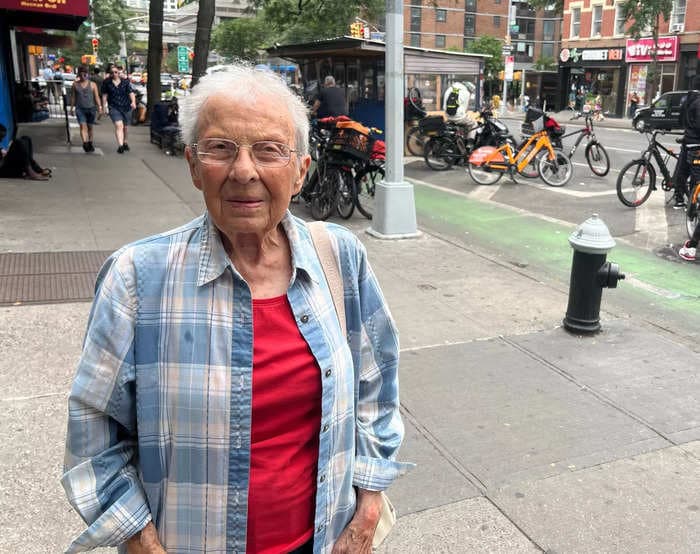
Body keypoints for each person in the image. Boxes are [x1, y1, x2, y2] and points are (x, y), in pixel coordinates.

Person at [62, 62, 410, 553]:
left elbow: (377, 385)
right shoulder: (137, 277)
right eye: (221, 149)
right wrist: (140, 541)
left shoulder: (340, 257)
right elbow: (92, 430)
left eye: (269, 150)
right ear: (192, 166)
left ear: (300, 172)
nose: (244, 170)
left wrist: (369, 501)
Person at [678, 75, 700, 261]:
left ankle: (692, 245)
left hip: (693, 145)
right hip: (695, 145)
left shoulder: (691, 100)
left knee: (694, 179)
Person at [101, 64, 136, 153]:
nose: (114, 74)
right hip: (114, 107)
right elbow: (104, 95)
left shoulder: (125, 82)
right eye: (112, 72)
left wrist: (133, 102)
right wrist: (104, 106)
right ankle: (120, 146)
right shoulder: (106, 82)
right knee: (118, 125)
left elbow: (131, 93)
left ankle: (125, 142)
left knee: (125, 127)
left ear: (118, 72)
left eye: (116, 72)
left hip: (126, 106)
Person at [70, 65, 102, 152]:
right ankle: (85, 143)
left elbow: (96, 97)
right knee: (82, 126)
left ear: (88, 74)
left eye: (85, 73)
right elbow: (73, 97)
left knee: (90, 127)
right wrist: (71, 108)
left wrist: (100, 108)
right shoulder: (75, 85)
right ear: (79, 74)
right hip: (80, 109)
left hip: (91, 109)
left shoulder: (92, 85)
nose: (84, 75)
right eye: (82, 73)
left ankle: (90, 142)